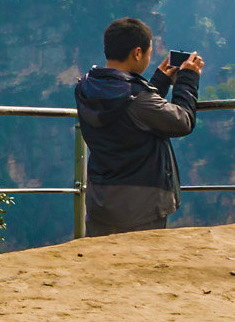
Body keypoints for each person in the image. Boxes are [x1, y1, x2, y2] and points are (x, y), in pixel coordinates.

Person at [74, 16, 202, 236]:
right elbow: (182, 121)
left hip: (101, 202)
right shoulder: (138, 99)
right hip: (140, 208)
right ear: (137, 53)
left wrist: (158, 83)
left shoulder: (87, 86)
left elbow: (128, 114)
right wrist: (188, 79)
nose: (150, 58)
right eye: (149, 52)